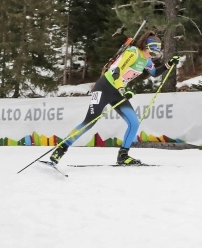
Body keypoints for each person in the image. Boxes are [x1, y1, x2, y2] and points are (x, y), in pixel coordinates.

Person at [49, 31, 180, 166]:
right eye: (152, 51)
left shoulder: (146, 60)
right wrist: (122, 89)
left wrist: (169, 64)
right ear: (146, 46)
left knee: (134, 122)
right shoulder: (133, 52)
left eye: (156, 52)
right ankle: (61, 148)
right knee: (90, 121)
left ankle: (123, 156)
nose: (153, 54)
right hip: (104, 87)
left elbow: (154, 73)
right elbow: (116, 71)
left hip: (118, 92)